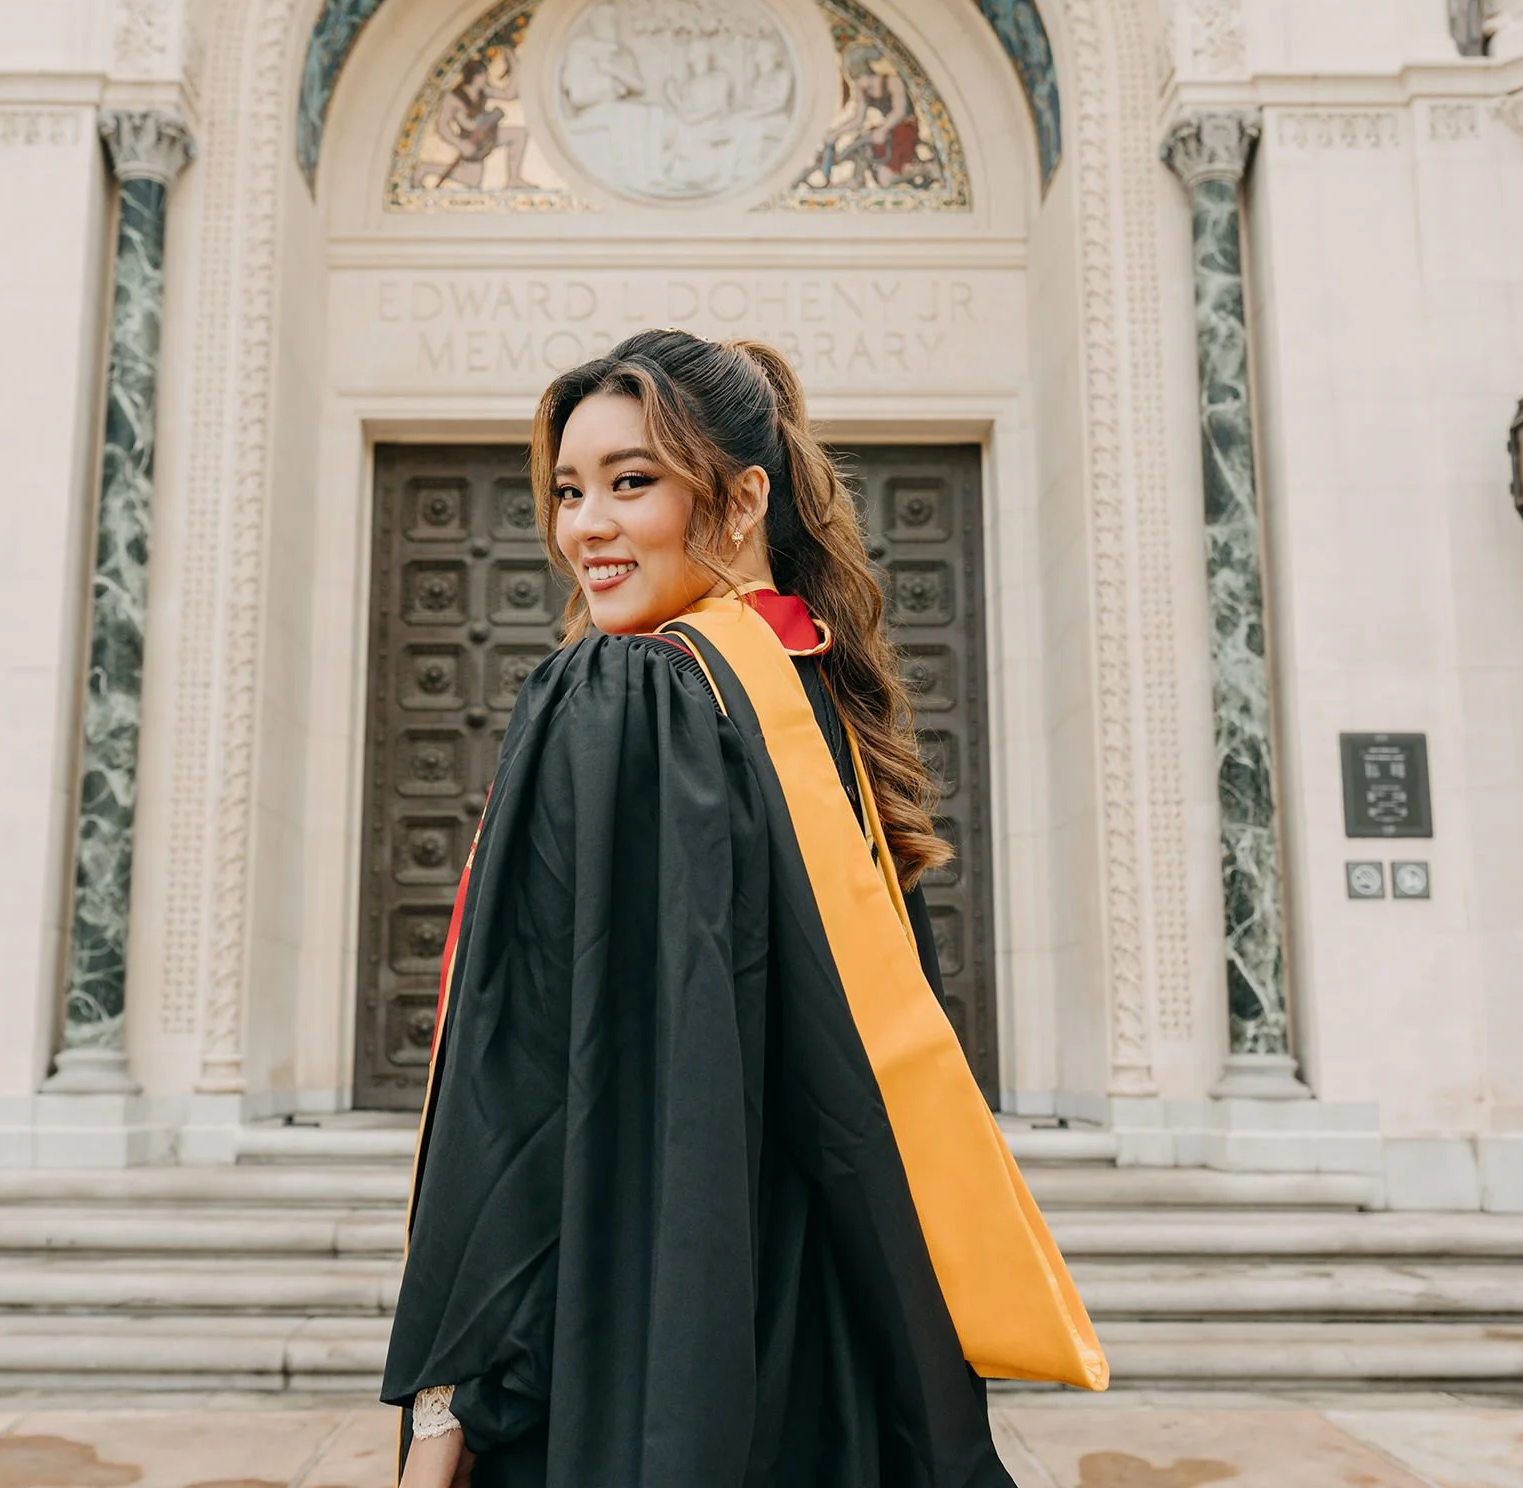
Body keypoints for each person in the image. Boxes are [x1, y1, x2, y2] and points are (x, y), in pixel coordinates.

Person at [383, 331, 1105, 1488]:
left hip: (643, 1347)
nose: (584, 529)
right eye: (569, 491)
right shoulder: (816, 703)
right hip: (822, 1350)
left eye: (632, 483)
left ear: (740, 496)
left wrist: (444, 1403)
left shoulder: (627, 693)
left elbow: (521, 1084)